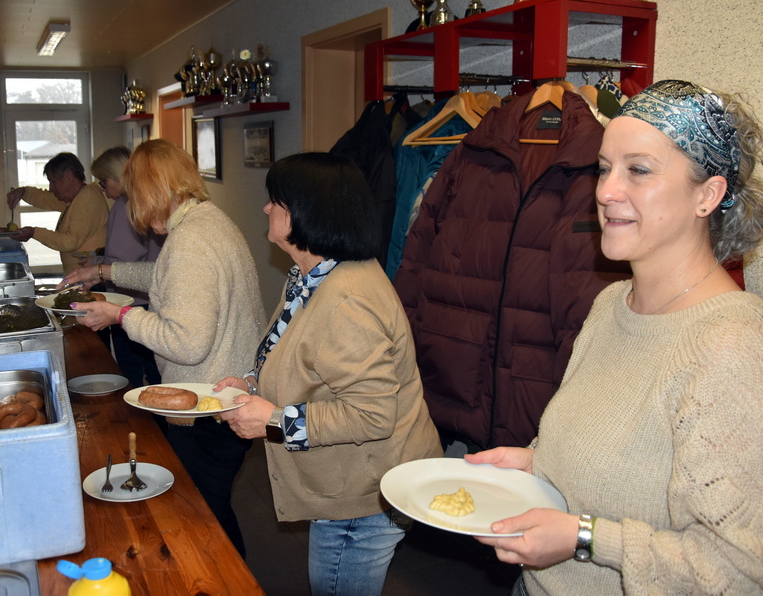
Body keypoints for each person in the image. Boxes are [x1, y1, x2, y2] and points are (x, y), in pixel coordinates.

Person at [466, 80, 763, 594]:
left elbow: (736, 570)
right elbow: (616, 455)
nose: (604, 191)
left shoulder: (730, 347)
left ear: (708, 195)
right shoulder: (610, 305)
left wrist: (586, 538)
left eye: (638, 171)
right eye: (604, 168)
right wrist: (537, 460)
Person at [216, 152, 442, 596]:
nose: (266, 208)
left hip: (363, 498)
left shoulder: (347, 301)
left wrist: (274, 420)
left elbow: (374, 415)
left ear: (306, 213)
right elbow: (302, 360)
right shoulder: (310, 277)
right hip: (351, 484)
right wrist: (251, 384)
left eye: (275, 200)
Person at [60, 139, 265, 557]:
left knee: (204, 516)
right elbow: (170, 277)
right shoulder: (206, 221)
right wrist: (104, 271)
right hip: (229, 393)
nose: (132, 206)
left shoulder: (190, 239)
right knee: (211, 509)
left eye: (134, 195)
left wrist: (119, 317)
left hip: (209, 404)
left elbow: (186, 343)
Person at [80, 145, 163, 388]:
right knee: (154, 369)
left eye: (103, 181)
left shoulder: (125, 205)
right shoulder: (145, 201)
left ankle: (140, 422)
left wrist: (95, 270)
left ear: (118, 176)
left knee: (132, 372)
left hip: (131, 302)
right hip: (151, 296)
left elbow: (120, 262)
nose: (102, 188)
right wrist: (96, 262)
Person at [7, 152, 110, 274]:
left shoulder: (87, 198)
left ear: (68, 177)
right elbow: (46, 198)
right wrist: (23, 192)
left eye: (53, 182)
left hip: (91, 279)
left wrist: (34, 232)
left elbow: (70, 241)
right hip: (83, 276)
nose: (51, 188)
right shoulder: (76, 197)